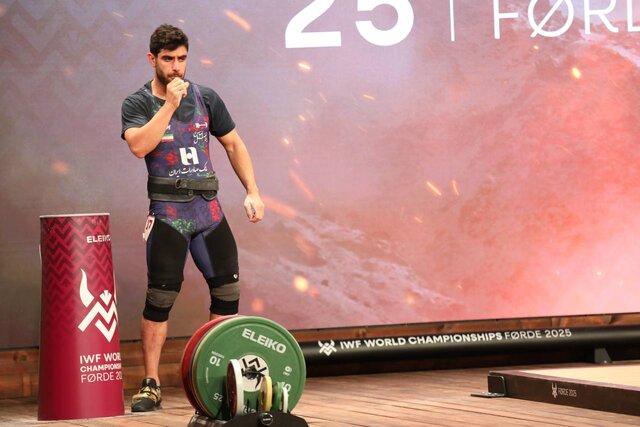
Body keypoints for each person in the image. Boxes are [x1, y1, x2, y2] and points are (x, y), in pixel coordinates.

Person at [120, 24, 264, 412]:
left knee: (227, 294)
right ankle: (150, 383)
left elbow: (233, 143)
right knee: (160, 297)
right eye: (168, 59)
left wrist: (252, 190)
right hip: (169, 215)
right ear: (152, 59)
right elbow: (139, 147)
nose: (176, 67)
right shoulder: (137, 103)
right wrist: (168, 104)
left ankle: (216, 376)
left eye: (182, 58)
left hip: (208, 212)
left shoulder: (206, 98)